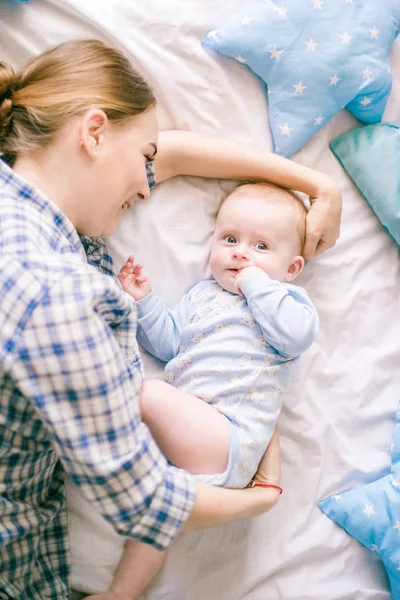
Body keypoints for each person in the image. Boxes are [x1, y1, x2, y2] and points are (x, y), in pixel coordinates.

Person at [0, 39, 341, 600]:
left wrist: (317, 185)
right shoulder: (59, 293)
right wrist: (259, 498)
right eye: (143, 158)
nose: (146, 183)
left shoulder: (37, 213)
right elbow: (147, 503)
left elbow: (176, 154)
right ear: (92, 133)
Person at [89, 182, 318, 600]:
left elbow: (297, 337)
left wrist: (257, 285)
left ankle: (84, 418)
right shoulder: (202, 293)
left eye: (261, 247)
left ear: (292, 268)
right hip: (194, 431)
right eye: (230, 239)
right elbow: (170, 344)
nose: (240, 253)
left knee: (147, 393)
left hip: (230, 437)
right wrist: (144, 302)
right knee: (160, 511)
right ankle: (121, 592)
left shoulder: (289, 302)